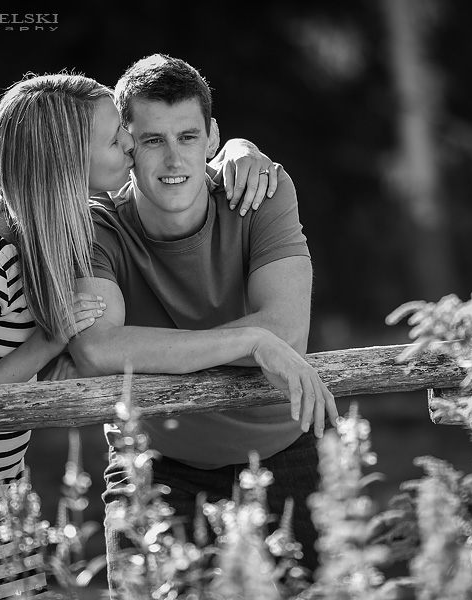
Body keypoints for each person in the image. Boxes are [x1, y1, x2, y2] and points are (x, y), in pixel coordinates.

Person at [0, 72, 279, 600]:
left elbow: (177, 144)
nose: (129, 141)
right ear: (68, 157)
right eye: (115, 137)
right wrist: (49, 342)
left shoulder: (31, 221)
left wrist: (239, 148)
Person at [68, 54, 338, 590]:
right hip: (155, 462)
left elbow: (286, 334)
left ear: (213, 137)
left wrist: (264, 339)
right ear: (126, 146)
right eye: (151, 141)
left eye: (188, 136)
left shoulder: (261, 192)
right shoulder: (97, 227)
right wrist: (249, 338)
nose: (173, 159)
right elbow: (98, 349)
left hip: (281, 448)